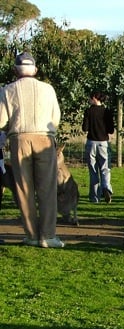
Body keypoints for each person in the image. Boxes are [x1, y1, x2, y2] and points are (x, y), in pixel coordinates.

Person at [0, 52, 63, 248]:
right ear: (35, 70)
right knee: (47, 188)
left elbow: (1, 121)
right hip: (44, 138)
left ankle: (32, 235)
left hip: (19, 138)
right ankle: (48, 236)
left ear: (15, 70)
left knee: (24, 188)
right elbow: (55, 118)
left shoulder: (7, 90)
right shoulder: (48, 89)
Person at [82, 91, 115, 203]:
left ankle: (94, 197)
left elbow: (84, 128)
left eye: (90, 98)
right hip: (103, 143)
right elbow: (111, 130)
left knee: (93, 170)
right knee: (105, 168)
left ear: (95, 98)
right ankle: (106, 188)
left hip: (91, 142)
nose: (89, 100)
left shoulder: (88, 111)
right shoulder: (107, 112)